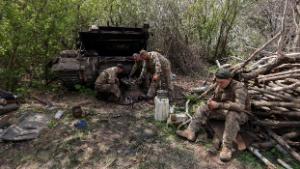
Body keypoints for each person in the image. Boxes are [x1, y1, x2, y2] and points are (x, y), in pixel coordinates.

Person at [176, 68, 250, 162]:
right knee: (203, 107)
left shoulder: (239, 88)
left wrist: (219, 105)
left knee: (232, 114)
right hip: (225, 110)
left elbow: (240, 107)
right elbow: (215, 98)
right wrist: (210, 102)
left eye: (221, 82)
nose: (219, 84)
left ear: (229, 79)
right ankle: (191, 132)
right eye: (217, 82)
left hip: (242, 114)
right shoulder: (220, 85)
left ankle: (227, 147)